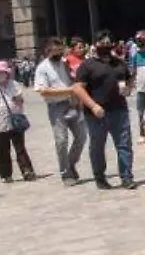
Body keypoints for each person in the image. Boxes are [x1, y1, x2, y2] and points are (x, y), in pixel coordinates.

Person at [73, 33, 137, 190]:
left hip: (119, 110)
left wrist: (128, 88)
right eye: (103, 43)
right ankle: (100, 178)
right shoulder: (87, 65)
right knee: (97, 146)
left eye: (109, 43)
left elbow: (128, 82)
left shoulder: (120, 64)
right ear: (95, 45)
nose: (106, 46)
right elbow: (78, 88)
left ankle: (127, 177)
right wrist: (93, 106)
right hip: (96, 114)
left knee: (124, 145)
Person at [33, 37, 86, 186]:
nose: (58, 54)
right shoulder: (42, 68)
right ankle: (65, 172)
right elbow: (43, 91)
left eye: (60, 50)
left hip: (72, 103)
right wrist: (69, 90)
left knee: (81, 136)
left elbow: (73, 79)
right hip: (56, 107)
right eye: (55, 51)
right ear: (47, 51)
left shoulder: (65, 64)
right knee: (61, 140)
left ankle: (70, 162)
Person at [0, 61, 37, 183]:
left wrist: (18, 100)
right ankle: (6, 174)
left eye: (2, 73)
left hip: (15, 121)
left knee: (20, 148)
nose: (0, 75)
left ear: (7, 73)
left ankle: (27, 170)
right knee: (2, 150)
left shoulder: (14, 85)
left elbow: (21, 100)